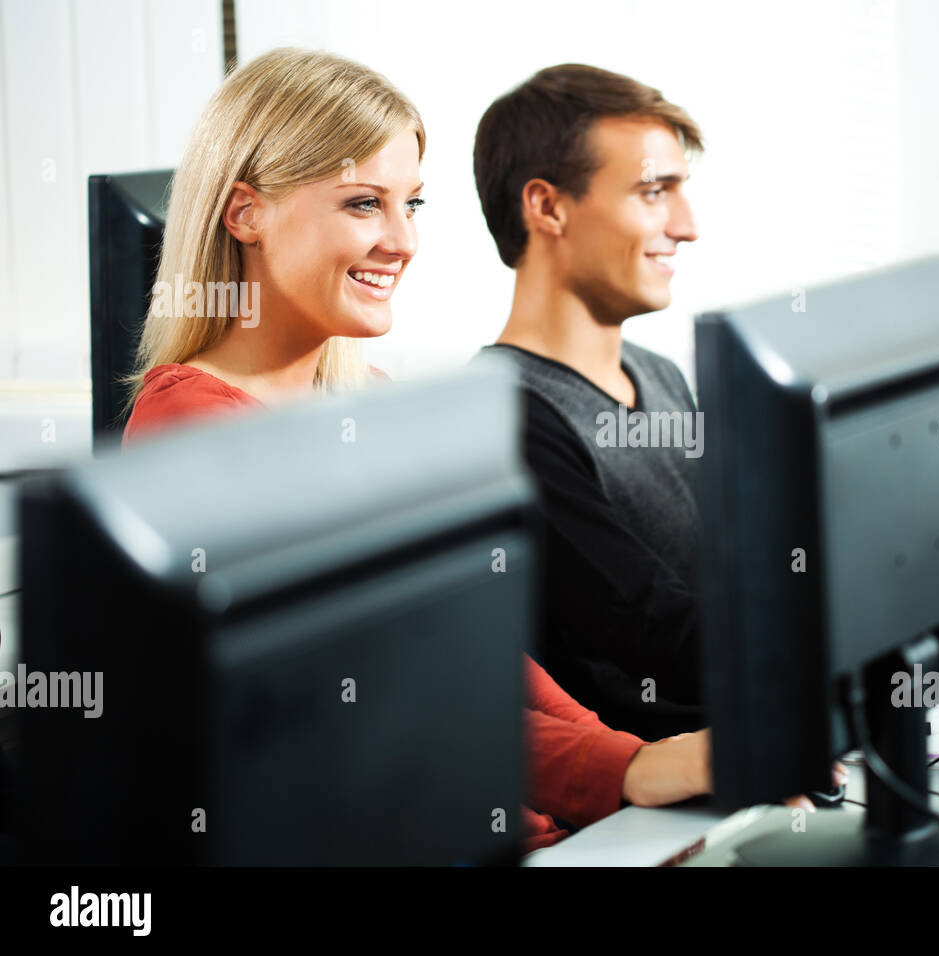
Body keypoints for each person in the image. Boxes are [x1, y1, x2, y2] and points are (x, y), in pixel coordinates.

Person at [122, 47, 721, 854]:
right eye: (365, 203)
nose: (403, 240)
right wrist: (618, 769)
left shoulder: (368, 394)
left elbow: (477, 654)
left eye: (414, 202)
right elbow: (367, 688)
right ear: (244, 214)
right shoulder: (194, 427)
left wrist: (641, 767)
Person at [472, 64, 939, 740]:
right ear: (548, 207)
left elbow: (754, 588)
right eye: (654, 191)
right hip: (683, 788)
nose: (687, 225)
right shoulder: (507, 419)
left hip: (797, 730)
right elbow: (665, 638)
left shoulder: (655, 376)